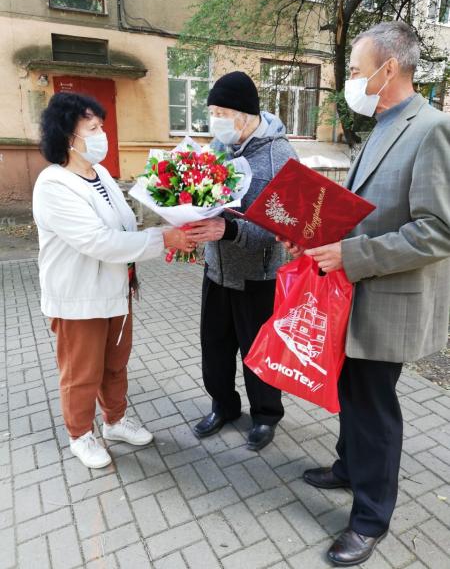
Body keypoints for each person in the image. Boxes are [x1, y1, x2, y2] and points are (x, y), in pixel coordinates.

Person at [281, 22, 450, 566]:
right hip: (354, 293)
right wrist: (311, 235)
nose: (351, 80)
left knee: (374, 409)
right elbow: (363, 209)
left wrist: (350, 257)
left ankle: (371, 517)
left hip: (387, 299)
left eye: (356, 71)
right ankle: (348, 468)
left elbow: (437, 230)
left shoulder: (432, 129)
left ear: (389, 70)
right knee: (351, 391)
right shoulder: (381, 123)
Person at [33, 92, 193, 469]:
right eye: (92, 128)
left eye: (101, 125)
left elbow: (123, 225)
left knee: (115, 364)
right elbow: (97, 241)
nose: (102, 134)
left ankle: (115, 421)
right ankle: (80, 434)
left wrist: (173, 221)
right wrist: (163, 239)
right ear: (69, 137)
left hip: (116, 290)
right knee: (81, 372)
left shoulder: (100, 174)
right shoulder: (53, 184)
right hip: (79, 297)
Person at [186, 71, 298, 451]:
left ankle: (266, 415)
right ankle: (224, 406)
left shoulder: (280, 156)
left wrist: (230, 231)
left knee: (259, 352)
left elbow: (287, 224)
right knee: (214, 346)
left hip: (259, 276)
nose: (215, 118)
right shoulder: (218, 148)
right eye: (212, 110)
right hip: (216, 270)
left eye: (221, 111)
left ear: (246, 114)